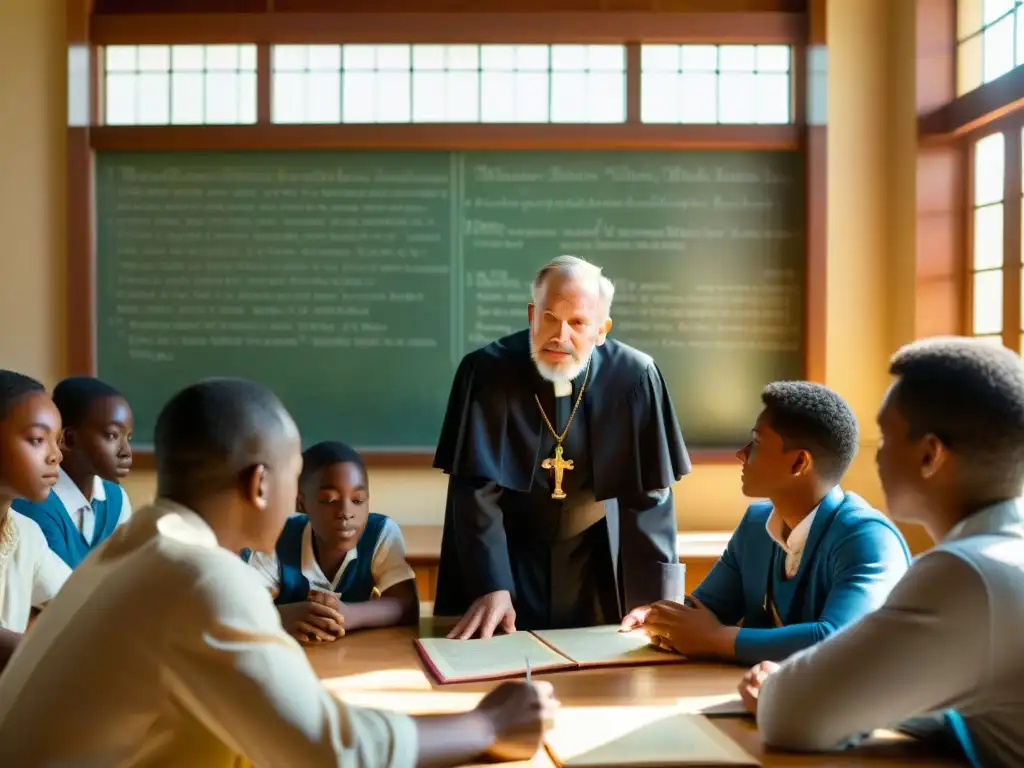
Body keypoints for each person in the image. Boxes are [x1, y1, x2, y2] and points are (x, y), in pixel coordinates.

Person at [0, 377, 558, 767]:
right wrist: (489, 725)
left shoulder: (135, 546)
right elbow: (333, 754)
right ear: (261, 484)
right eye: (296, 480)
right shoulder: (197, 578)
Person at [741, 337, 1024, 768]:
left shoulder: (966, 574)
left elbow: (791, 715)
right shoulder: (1003, 555)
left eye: (886, 438)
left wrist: (779, 686)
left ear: (930, 454)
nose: (875, 458)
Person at [434, 255, 691, 639]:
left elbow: (649, 499)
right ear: (531, 315)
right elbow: (475, 491)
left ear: (601, 329)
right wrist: (491, 583)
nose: (560, 336)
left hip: (598, 557)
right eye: (549, 317)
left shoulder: (634, 378)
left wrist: (656, 601)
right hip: (505, 554)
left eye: (578, 323)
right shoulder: (486, 373)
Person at [620, 381, 910, 665]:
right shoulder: (756, 524)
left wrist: (715, 639)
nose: (742, 454)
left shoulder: (868, 538)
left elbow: (839, 639)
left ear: (798, 463)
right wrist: (663, 617)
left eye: (757, 442)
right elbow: (710, 608)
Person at [245, 440, 419, 641]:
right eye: (329, 500)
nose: (346, 513)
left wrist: (350, 615)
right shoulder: (279, 535)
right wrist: (280, 617)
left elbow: (407, 605)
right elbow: (239, 608)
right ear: (301, 504)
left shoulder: (380, 532)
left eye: (358, 500)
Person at [12, 375, 133, 568]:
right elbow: (59, 593)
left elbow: (126, 573)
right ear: (68, 439)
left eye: (128, 437)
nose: (126, 451)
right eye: (112, 435)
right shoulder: (34, 504)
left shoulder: (115, 498)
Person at [0, 370, 71, 666]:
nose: (56, 455)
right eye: (38, 439)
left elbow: (81, 602)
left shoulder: (24, 534)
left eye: (56, 440)